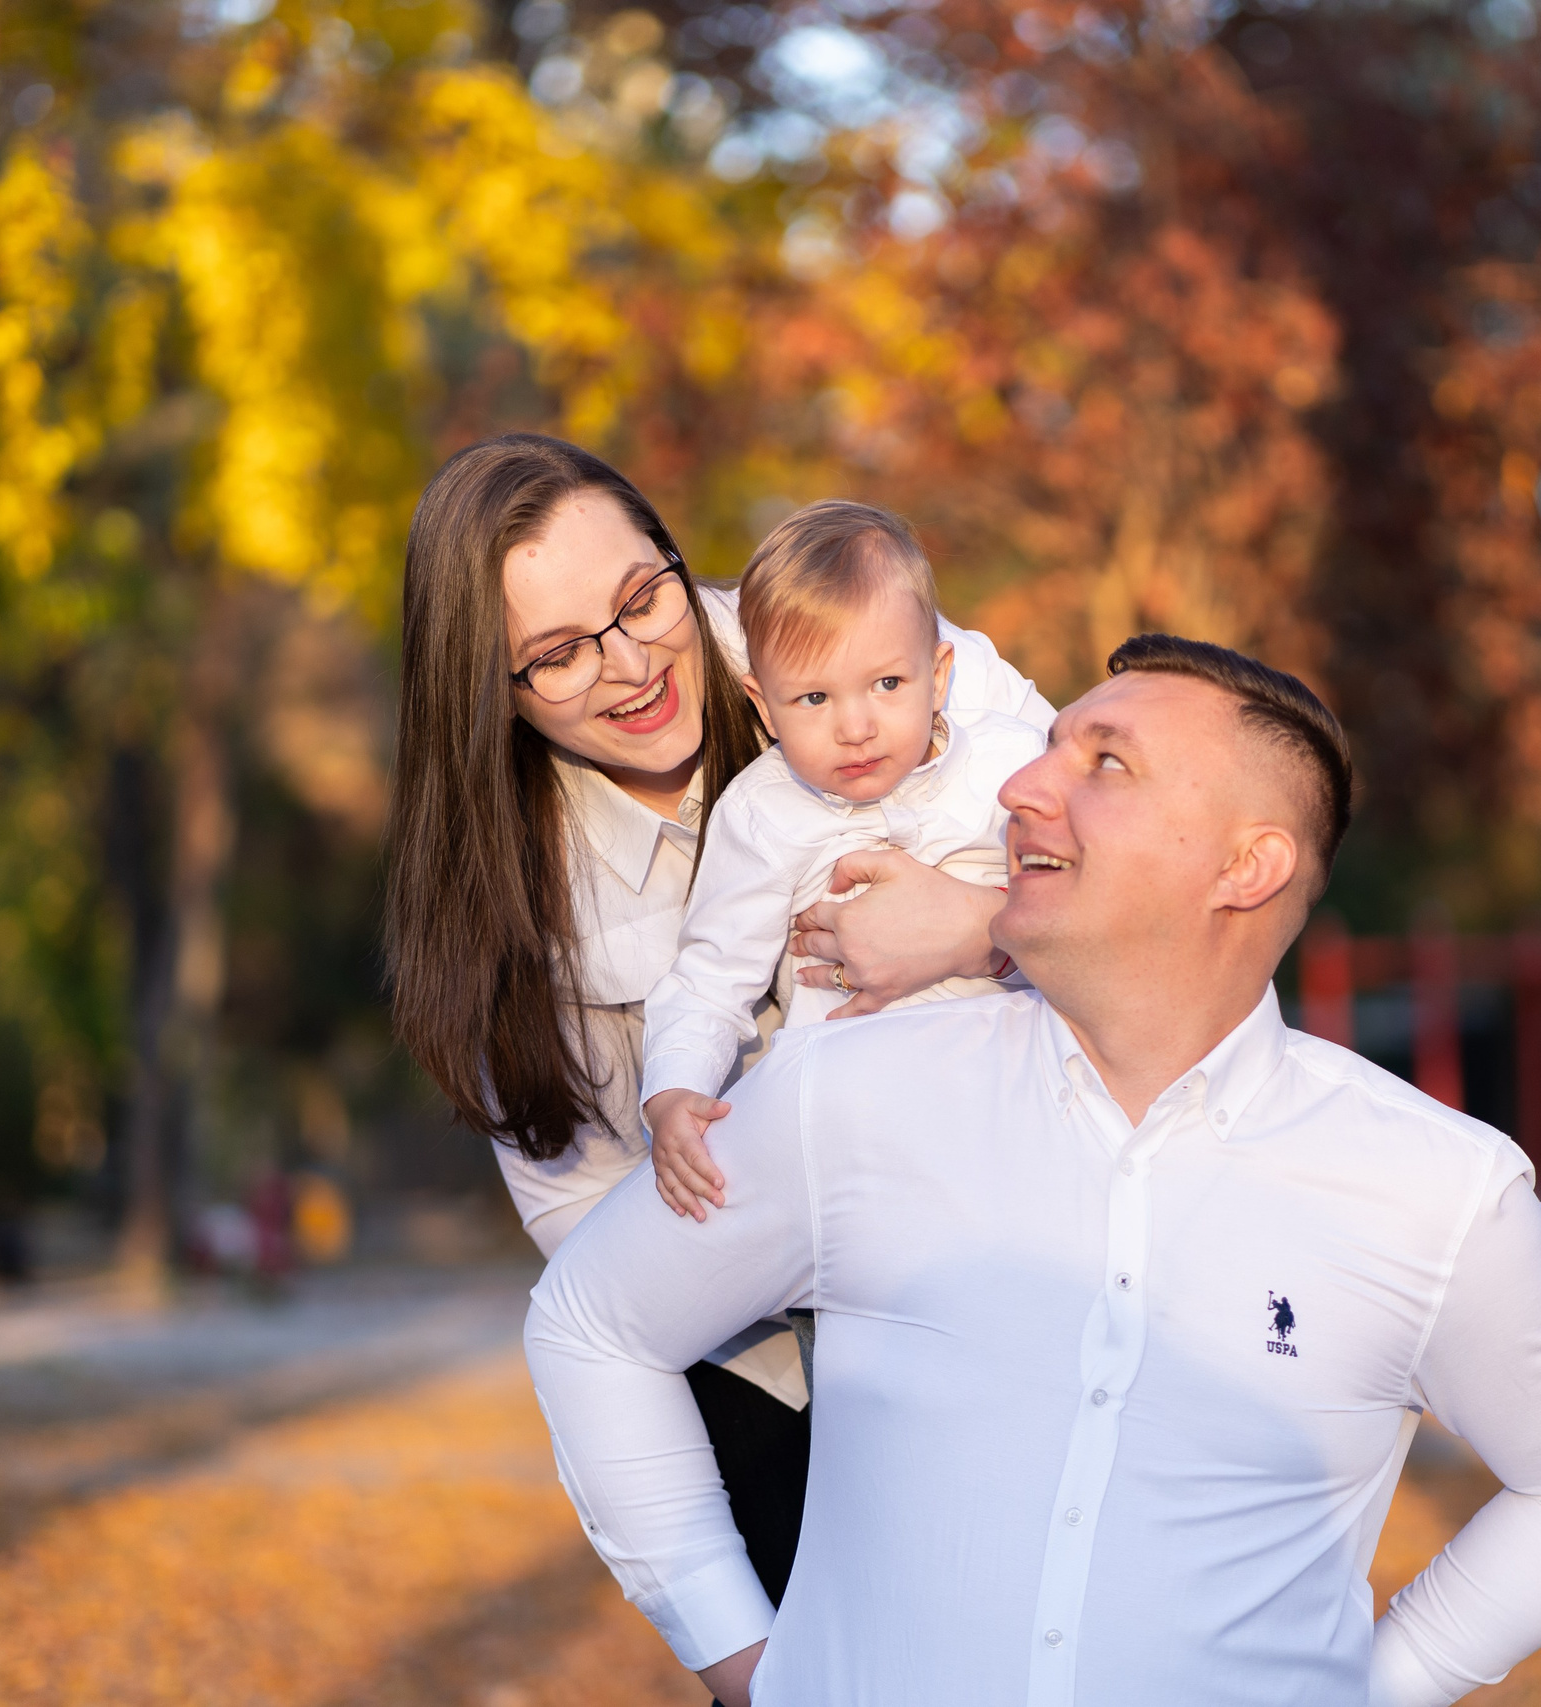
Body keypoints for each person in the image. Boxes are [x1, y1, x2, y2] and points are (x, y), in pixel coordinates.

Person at [525, 635, 1541, 1707]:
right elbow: (593, 1325)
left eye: (1105, 762)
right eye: (1042, 750)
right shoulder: (850, 1095)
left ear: (1246, 866)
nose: (1020, 790)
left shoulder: (1434, 1190)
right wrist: (744, 1662)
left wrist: (1380, 1683)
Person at [381, 434, 1052, 1612]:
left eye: (644, 598)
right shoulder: (505, 908)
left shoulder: (869, 638)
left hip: (1019, 1270)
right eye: (554, 656)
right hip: (764, 1365)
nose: (632, 663)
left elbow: (1138, 892)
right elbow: (595, 1267)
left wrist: (978, 928)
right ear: (487, 690)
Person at [641, 500, 1044, 1219]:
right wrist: (673, 1090)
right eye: (815, 697)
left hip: (1015, 1106)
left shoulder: (1009, 767)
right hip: (844, 1139)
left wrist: (993, 929)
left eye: (888, 684)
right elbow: (710, 974)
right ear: (764, 708)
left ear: (939, 673)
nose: (856, 727)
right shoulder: (762, 814)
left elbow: (1100, 902)